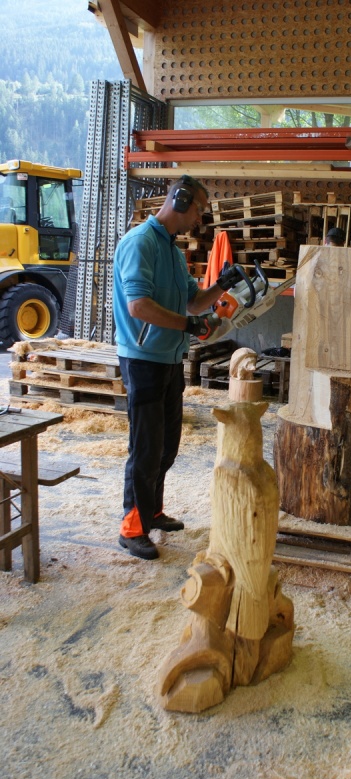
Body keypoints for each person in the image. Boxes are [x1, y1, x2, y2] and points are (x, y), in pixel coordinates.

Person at [113, 175, 242, 561]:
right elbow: (139, 306)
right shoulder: (140, 243)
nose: (200, 218)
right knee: (146, 447)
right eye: (199, 209)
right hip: (143, 360)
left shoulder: (171, 249)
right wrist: (189, 326)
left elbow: (194, 302)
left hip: (169, 359)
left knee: (167, 446)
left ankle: (152, 511)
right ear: (180, 200)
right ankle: (132, 528)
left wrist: (221, 285)